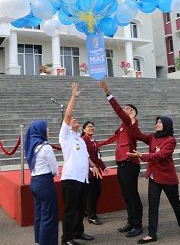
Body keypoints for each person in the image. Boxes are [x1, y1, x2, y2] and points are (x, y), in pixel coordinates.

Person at [129, 116, 180, 244]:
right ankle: (152, 234)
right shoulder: (152, 137)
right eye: (156, 122)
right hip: (154, 177)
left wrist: (141, 155)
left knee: (175, 203)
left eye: (160, 122)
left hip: (168, 178)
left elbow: (161, 155)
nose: (157, 124)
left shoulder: (171, 140)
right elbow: (138, 135)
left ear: (166, 125)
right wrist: (133, 121)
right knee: (153, 205)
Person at [98, 81, 143, 238]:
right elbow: (112, 138)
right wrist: (96, 144)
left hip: (130, 163)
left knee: (132, 194)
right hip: (121, 163)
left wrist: (107, 92)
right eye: (126, 108)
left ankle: (138, 225)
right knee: (125, 195)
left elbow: (118, 111)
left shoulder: (132, 124)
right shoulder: (123, 127)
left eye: (130, 110)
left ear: (134, 114)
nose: (126, 110)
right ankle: (131, 222)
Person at [60, 82, 102, 245]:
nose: (74, 119)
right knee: (70, 210)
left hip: (83, 178)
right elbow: (68, 115)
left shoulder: (80, 139)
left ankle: (78, 232)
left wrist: (93, 165)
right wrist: (73, 97)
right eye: (73, 119)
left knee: (80, 208)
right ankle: (67, 239)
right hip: (71, 178)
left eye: (76, 119)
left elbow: (86, 157)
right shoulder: (65, 136)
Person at [24, 120, 59, 245]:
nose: (48, 130)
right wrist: (54, 174)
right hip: (45, 182)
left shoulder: (31, 146)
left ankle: (38, 241)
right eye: (46, 128)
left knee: (39, 214)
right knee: (48, 216)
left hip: (34, 181)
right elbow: (54, 169)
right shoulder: (46, 147)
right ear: (40, 130)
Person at [81, 121, 108, 226]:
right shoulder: (83, 140)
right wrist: (91, 167)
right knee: (92, 193)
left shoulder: (94, 141)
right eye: (88, 127)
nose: (91, 128)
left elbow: (98, 156)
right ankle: (91, 216)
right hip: (88, 171)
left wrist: (103, 167)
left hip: (96, 171)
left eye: (92, 126)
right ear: (84, 130)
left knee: (97, 191)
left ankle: (87, 211)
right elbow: (83, 156)